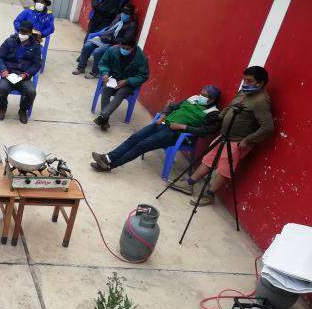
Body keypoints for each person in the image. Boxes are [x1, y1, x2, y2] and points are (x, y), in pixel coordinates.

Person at [170, 66, 274, 206]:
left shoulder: (261, 101)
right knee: (208, 160)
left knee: (224, 170)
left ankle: (209, 195)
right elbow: (230, 106)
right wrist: (220, 116)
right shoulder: (243, 91)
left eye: (249, 81)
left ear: (260, 83)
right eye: (244, 80)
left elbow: (267, 127)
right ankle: (188, 184)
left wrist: (247, 140)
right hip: (224, 135)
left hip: (237, 141)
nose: (245, 83)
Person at [91, 85, 222, 172]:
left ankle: (110, 165)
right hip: (163, 123)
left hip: (176, 133)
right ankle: (108, 158)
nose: (200, 96)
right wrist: (163, 115)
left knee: (142, 145)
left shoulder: (213, 113)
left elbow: (205, 132)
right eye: (201, 93)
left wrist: (183, 126)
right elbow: (172, 106)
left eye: (204, 95)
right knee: (135, 137)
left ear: (211, 100)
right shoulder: (193, 99)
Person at [93, 38, 150, 130]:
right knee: (106, 89)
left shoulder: (141, 58)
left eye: (127, 49)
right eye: (122, 48)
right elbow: (103, 63)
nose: (124, 50)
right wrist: (105, 73)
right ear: (120, 45)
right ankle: (104, 119)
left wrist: (127, 81)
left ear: (133, 48)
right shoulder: (112, 50)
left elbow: (143, 76)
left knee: (120, 94)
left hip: (128, 83)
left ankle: (103, 116)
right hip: (112, 79)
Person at [0, 21, 43, 124]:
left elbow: (37, 64)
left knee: (31, 92)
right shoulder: (9, 41)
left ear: (30, 33)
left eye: (25, 33)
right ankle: (2, 108)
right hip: (9, 74)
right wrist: (3, 70)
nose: (22, 34)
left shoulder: (36, 46)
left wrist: (26, 74)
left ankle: (23, 111)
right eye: (21, 32)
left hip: (23, 77)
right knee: (1, 88)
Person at [73, 4, 137, 78]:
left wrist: (112, 39)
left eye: (126, 13)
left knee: (97, 52)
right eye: (123, 12)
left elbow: (126, 39)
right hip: (105, 37)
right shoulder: (118, 17)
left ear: (130, 15)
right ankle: (81, 67)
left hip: (114, 43)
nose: (124, 14)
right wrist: (103, 34)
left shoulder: (132, 24)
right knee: (87, 45)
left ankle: (95, 72)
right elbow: (110, 27)